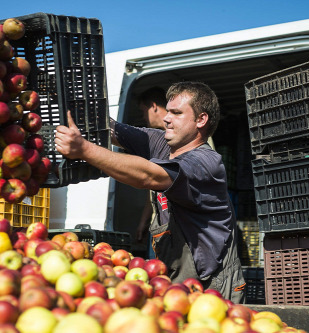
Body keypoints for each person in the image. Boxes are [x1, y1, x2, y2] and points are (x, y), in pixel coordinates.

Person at [55, 81, 245, 303]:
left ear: (201, 120)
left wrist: (84, 149)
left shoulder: (205, 162)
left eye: (176, 113)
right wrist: (65, 99)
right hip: (178, 280)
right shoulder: (162, 144)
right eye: (168, 111)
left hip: (212, 284)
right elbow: (110, 129)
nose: (166, 118)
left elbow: (150, 176)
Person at [136, 87, 168, 256]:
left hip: (177, 227)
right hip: (159, 225)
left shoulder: (186, 135)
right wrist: (144, 222)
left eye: (143, 111)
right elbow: (154, 187)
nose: (143, 117)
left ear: (154, 106)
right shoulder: (155, 141)